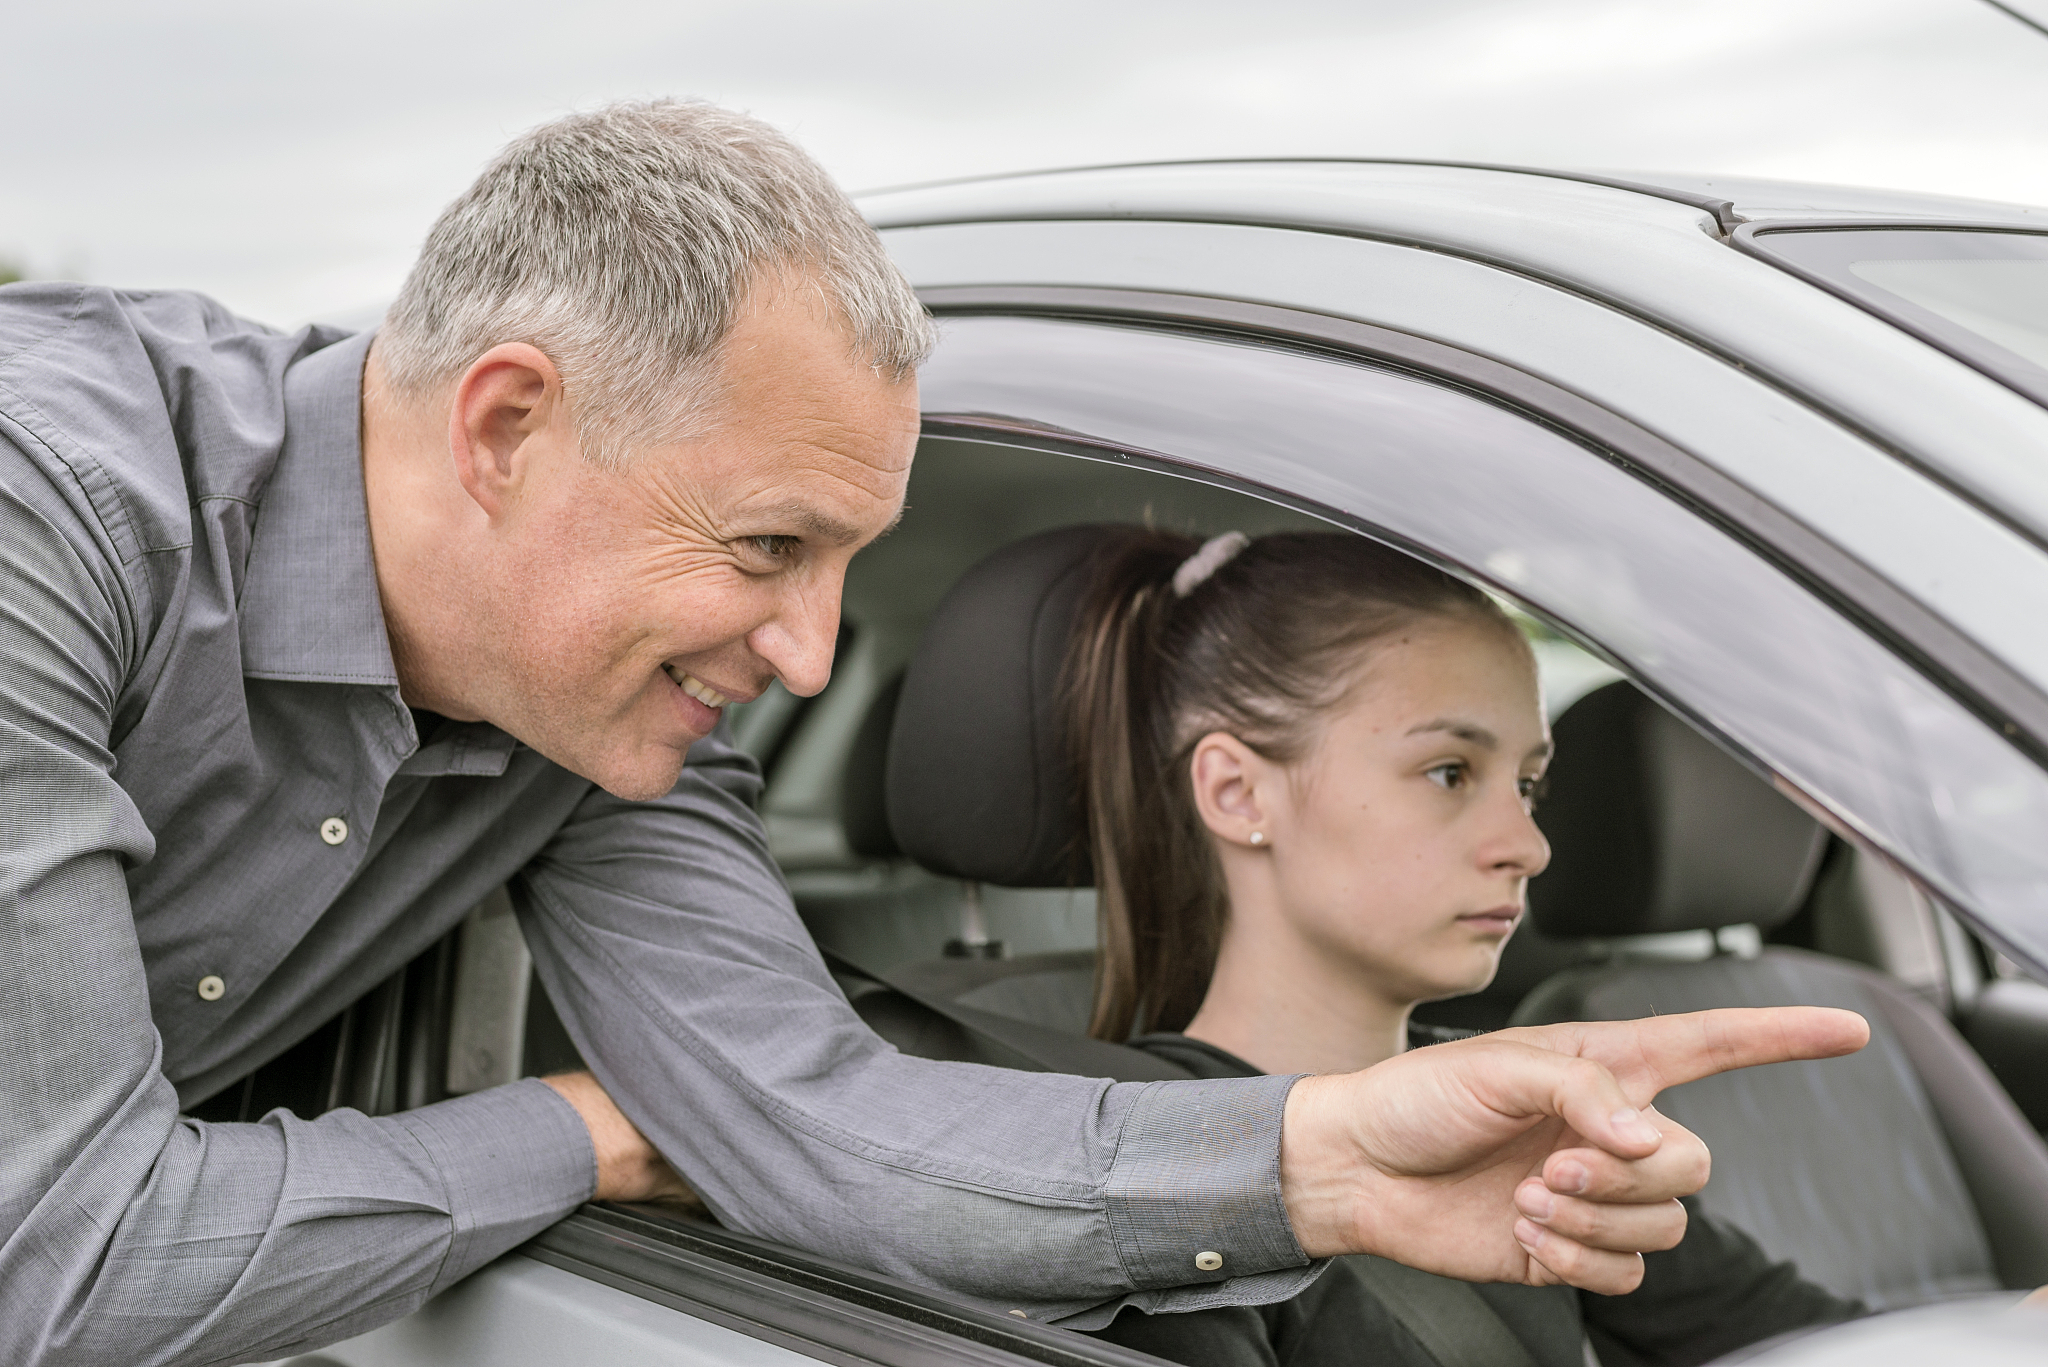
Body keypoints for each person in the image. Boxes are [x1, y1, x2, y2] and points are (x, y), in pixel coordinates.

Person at [0, 99, 1865, 1367]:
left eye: (846, 564)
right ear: (502, 427)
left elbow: (815, 1120)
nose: (814, 654)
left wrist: (1323, 1156)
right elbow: (62, 1253)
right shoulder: (53, 517)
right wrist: (579, 1130)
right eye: (766, 549)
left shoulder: (603, 718)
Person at [1063, 527, 1867, 1366]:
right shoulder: (1147, 1190)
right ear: (1236, 792)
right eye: (1449, 771)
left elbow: (1803, 1340)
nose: (1529, 845)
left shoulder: (1520, 1119)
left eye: (1526, 784)